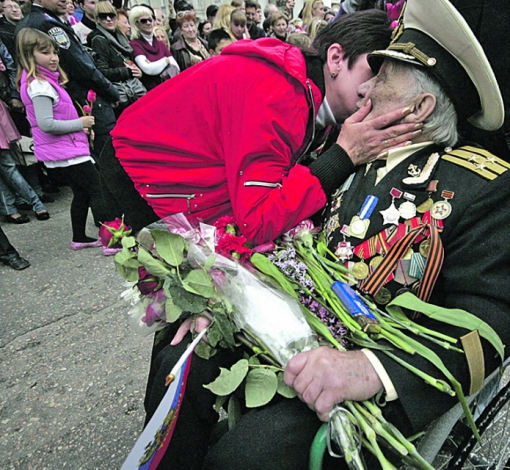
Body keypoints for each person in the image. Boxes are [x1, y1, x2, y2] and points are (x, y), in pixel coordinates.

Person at [139, 1, 510, 469]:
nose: (366, 88)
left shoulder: (484, 187)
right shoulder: (353, 151)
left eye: (383, 77)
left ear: (420, 107)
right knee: (179, 358)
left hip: (365, 374)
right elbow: (284, 237)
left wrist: (371, 370)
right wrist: (227, 300)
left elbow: (490, 320)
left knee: (251, 455)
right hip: (292, 330)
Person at [112, 9, 417, 252]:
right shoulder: (280, 93)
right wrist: (343, 156)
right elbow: (257, 221)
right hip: (140, 181)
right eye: (373, 72)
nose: (376, 90)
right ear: (336, 58)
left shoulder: (306, 89)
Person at [16, 28, 114, 252]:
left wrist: (79, 128)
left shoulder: (42, 83)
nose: (53, 58)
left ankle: (80, 236)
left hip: (64, 150)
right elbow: (47, 124)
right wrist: (81, 124)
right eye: (45, 53)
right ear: (29, 55)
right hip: (65, 153)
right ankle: (112, 239)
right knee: (97, 190)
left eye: (54, 52)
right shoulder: (39, 86)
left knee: (81, 193)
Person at [87, 2, 144, 116]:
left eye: (111, 16)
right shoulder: (98, 39)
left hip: (131, 91)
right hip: (120, 97)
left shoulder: (119, 35)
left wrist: (136, 71)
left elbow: (129, 60)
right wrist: (127, 71)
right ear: (97, 19)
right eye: (103, 16)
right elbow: (102, 72)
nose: (108, 19)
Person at [129, 5, 179, 91]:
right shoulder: (135, 44)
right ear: (136, 23)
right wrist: (165, 60)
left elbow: (175, 67)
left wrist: (155, 65)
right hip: (152, 91)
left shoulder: (160, 44)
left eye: (150, 19)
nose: (148, 23)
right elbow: (148, 69)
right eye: (143, 21)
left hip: (169, 88)